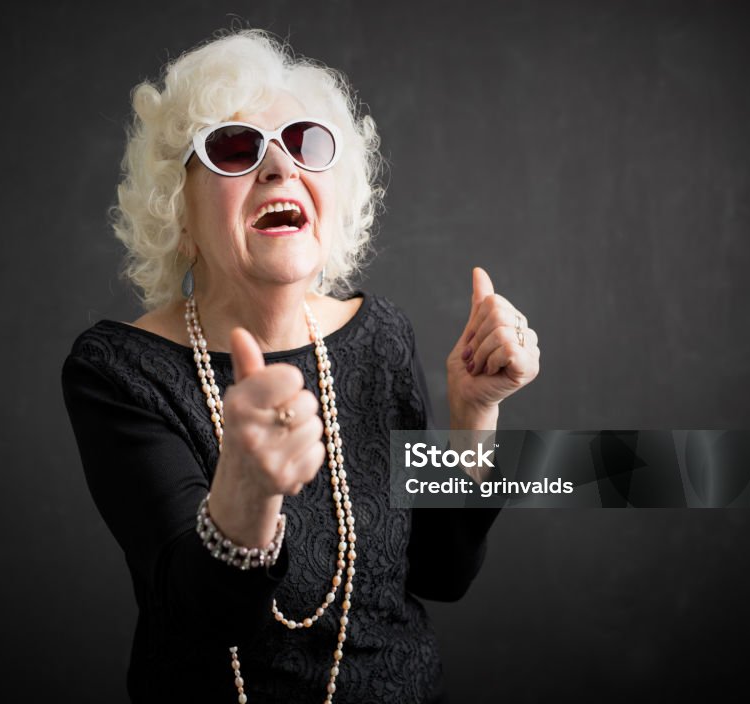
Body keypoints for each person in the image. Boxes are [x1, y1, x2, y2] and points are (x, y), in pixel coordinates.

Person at [61, 29, 540, 704]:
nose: (280, 167)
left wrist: (475, 413)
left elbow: (443, 572)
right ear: (180, 208)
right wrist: (248, 493)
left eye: (304, 143)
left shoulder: (380, 335)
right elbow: (200, 618)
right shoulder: (119, 372)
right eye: (235, 148)